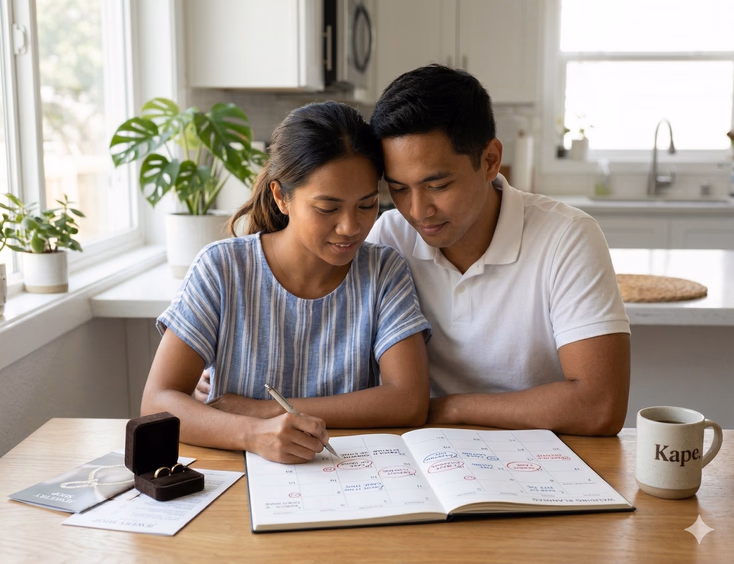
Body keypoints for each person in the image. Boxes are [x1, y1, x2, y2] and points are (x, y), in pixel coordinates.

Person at [196, 65, 631, 437]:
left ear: (490, 161)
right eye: (399, 189)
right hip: (421, 450)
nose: (418, 211)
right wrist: (226, 369)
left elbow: (599, 406)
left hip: (539, 452)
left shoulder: (567, 238)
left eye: (438, 185)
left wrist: (447, 408)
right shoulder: (387, 237)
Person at [142, 101, 431, 464]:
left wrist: (265, 410)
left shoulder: (383, 271)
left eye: (367, 204)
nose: (350, 227)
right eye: (327, 208)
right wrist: (252, 434)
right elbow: (157, 403)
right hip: (237, 477)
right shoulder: (221, 269)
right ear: (281, 197)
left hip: (352, 474)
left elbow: (409, 401)